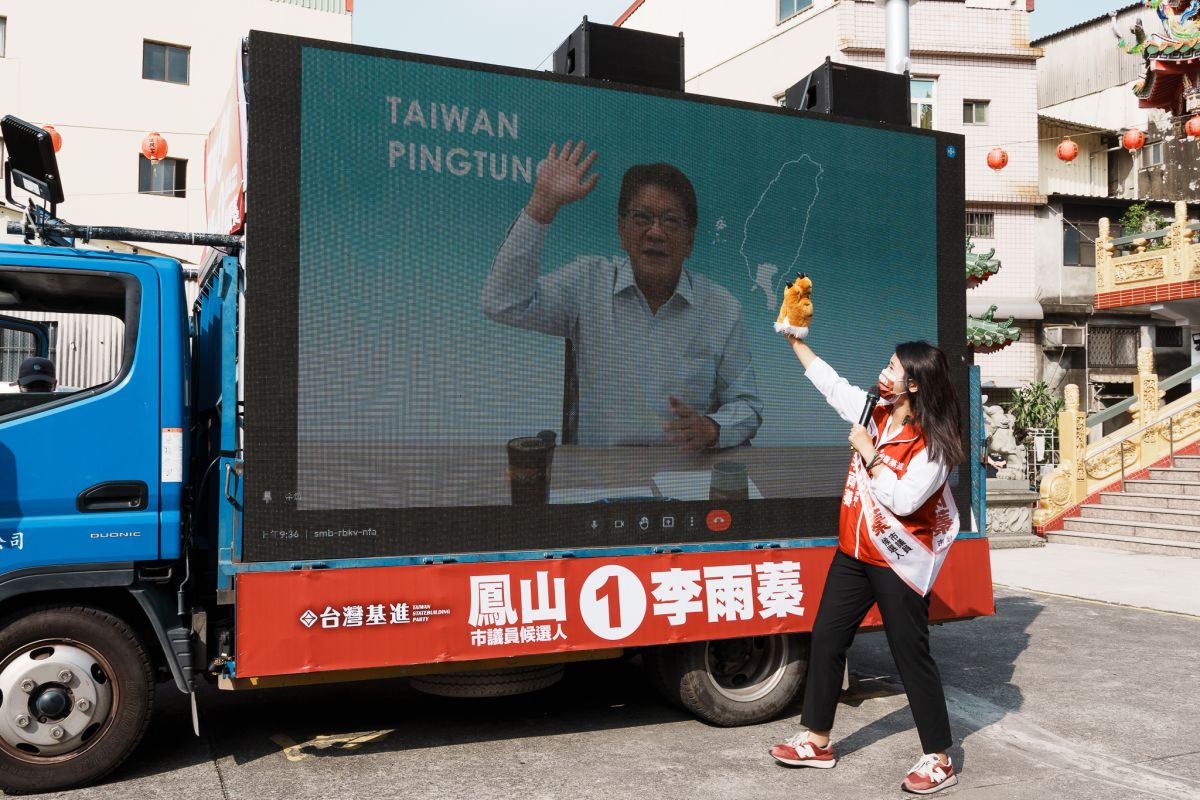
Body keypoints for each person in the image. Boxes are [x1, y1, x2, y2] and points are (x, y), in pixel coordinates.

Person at [769, 337, 965, 796]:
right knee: (826, 638)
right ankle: (817, 740)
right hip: (853, 554)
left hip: (898, 561)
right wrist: (796, 341)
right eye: (887, 363)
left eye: (893, 367)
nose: (884, 372)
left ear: (914, 384)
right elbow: (832, 385)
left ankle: (939, 759)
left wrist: (869, 453)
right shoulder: (874, 412)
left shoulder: (934, 443)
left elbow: (904, 500)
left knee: (910, 656)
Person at [483, 140, 762, 450]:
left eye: (671, 221)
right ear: (622, 231)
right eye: (642, 218)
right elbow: (503, 303)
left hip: (687, 470)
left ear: (689, 242)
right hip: (603, 472)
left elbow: (747, 405)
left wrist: (712, 428)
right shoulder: (588, 282)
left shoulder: (721, 308)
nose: (655, 233)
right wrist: (542, 205)